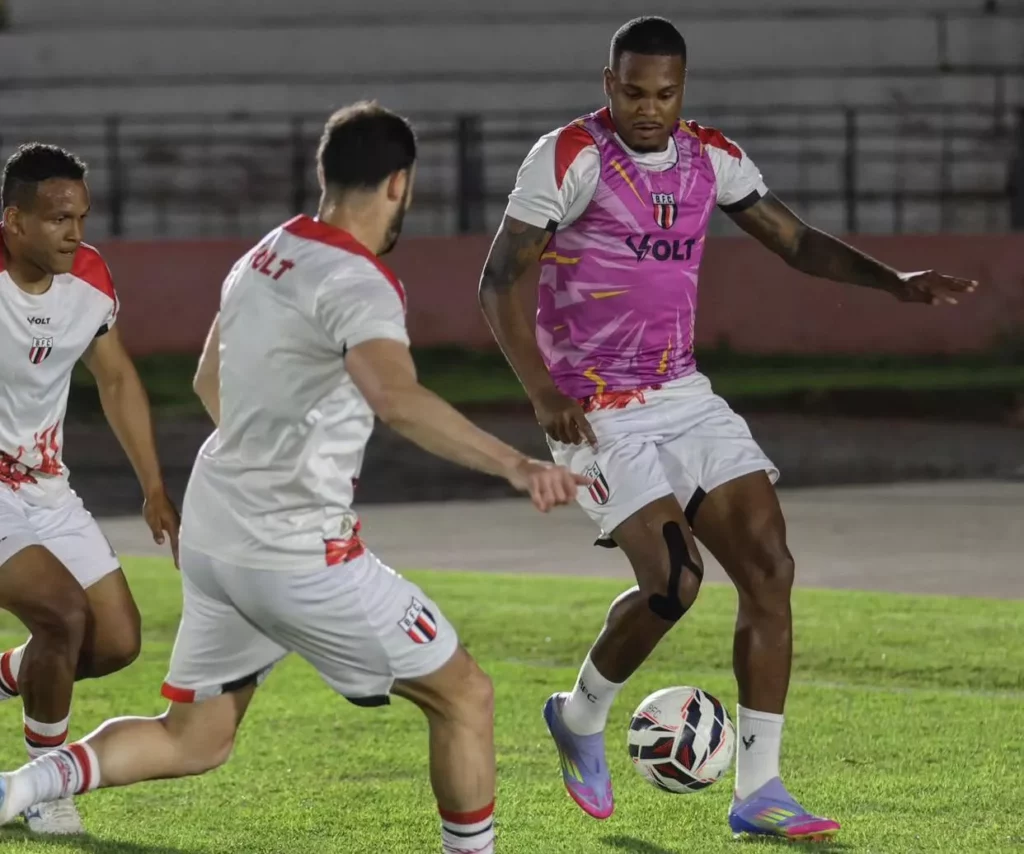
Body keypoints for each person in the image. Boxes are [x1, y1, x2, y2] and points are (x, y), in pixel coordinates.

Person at [0, 102, 586, 854]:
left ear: (326, 174)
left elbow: (209, 381)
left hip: (216, 531)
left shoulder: (264, 254)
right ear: (400, 184)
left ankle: (22, 787)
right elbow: (395, 397)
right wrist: (517, 464)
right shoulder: (362, 282)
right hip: (298, 551)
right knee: (465, 695)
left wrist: (263, 456)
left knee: (194, 738)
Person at [478, 16, 978, 842]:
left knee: (770, 569)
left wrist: (892, 281)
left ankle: (759, 791)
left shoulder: (711, 157)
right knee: (674, 583)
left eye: (664, 93)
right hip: (595, 406)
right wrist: (541, 391)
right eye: (633, 92)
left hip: (683, 394)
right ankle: (579, 713)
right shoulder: (567, 156)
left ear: (683, 88)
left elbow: (795, 241)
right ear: (610, 84)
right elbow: (498, 281)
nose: (648, 108)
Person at [0, 143, 180, 835]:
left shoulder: (91, 279)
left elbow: (117, 378)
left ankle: (10, 674)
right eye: (57, 219)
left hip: (47, 487)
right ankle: (40, 790)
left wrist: (153, 486)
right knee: (62, 614)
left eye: (81, 217)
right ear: (14, 221)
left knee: (115, 642)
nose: (75, 233)